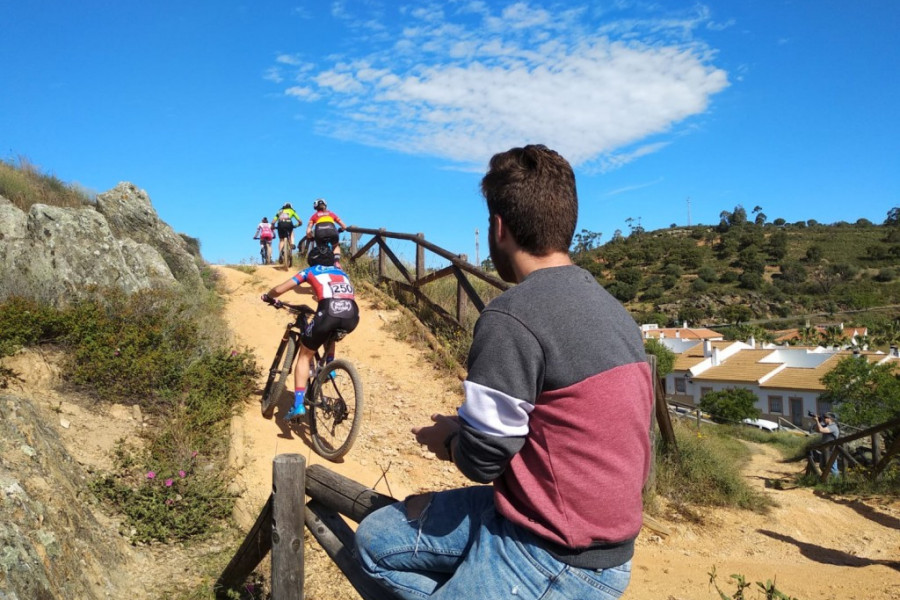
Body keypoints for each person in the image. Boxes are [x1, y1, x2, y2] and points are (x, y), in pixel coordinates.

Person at [354, 144, 653, 600]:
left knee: (375, 552)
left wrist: (451, 441)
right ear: (565, 222)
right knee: (376, 540)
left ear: (498, 228)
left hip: (555, 554)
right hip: (584, 531)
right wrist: (468, 430)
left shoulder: (512, 316)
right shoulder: (614, 312)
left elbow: (482, 461)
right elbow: (567, 425)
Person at [260, 244, 359, 421]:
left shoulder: (310, 271)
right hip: (352, 315)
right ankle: (330, 366)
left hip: (328, 312)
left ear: (311, 260)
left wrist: (269, 296)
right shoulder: (342, 273)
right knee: (330, 331)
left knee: (305, 356)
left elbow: (281, 289)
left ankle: (298, 404)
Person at [813, 411, 840, 476]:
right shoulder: (827, 426)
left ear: (829, 419)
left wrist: (817, 421)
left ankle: (836, 481)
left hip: (832, 450)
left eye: (825, 418)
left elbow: (821, 430)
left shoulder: (833, 427)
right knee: (822, 466)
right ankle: (827, 479)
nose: (824, 419)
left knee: (833, 468)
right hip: (825, 449)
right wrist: (818, 421)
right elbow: (816, 430)